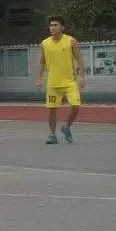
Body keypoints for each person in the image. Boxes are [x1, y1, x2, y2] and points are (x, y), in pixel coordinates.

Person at [36, 16, 85, 144]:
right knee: (52, 110)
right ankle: (52, 135)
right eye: (51, 25)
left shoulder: (71, 41)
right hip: (53, 83)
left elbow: (79, 58)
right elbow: (41, 62)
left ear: (62, 27)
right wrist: (38, 78)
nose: (53, 28)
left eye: (55, 25)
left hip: (70, 82)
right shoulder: (44, 43)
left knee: (76, 106)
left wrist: (81, 76)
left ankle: (66, 127)